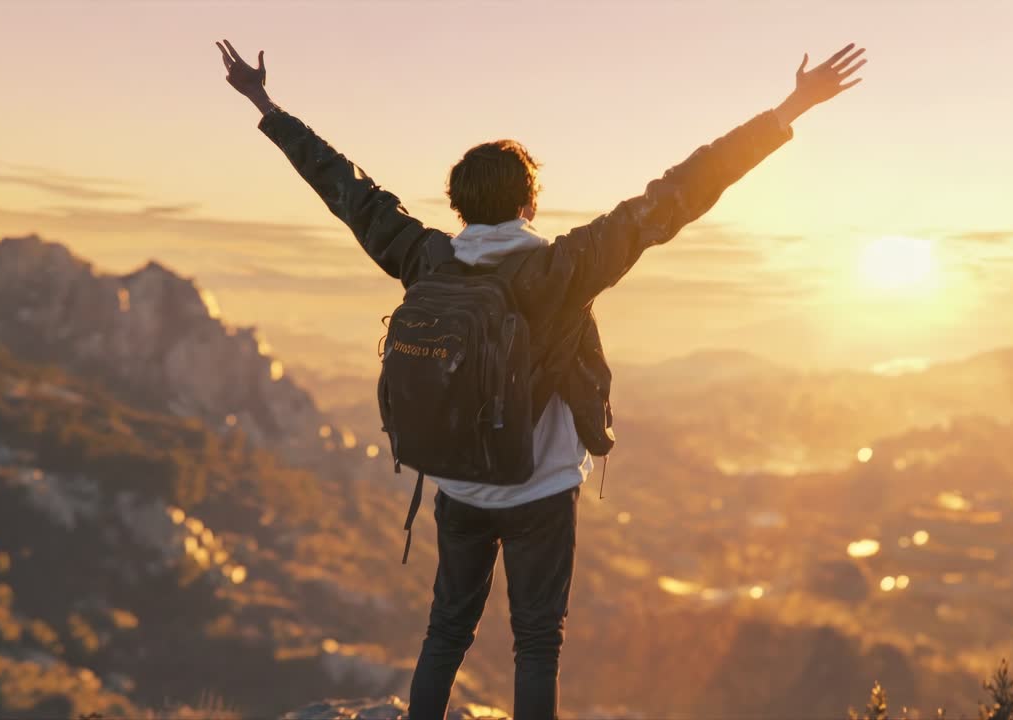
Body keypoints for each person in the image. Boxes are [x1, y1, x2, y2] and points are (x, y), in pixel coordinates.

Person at [217, 37, 865, 719]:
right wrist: (791, 107)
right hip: (541, 490)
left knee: (445, 631)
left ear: (458, 205)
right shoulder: (563, 269)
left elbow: (343, 187)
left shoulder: (425, 257)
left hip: (458, 484)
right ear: (529, 204)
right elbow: (680, 193)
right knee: (536, 643)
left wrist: (263, 102)